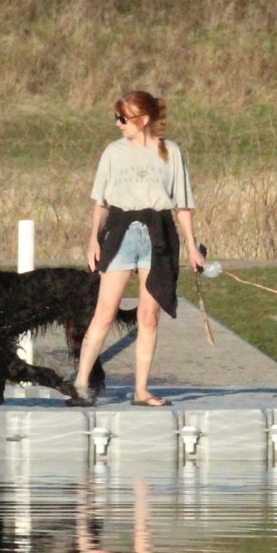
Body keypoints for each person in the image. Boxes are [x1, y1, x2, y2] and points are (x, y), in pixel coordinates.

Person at [69, 91, 203, 407]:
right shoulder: (113, 153)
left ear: (142, 121)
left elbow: (182, 205)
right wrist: (92, 240)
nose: (117, 124)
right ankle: (81, 384)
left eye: (123, 118)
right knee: (105, 311)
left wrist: (193, 247)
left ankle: (141, 390)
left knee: (149, 315)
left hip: (158, 234)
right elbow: (100, 203)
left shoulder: (170, 152)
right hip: (120, 234)